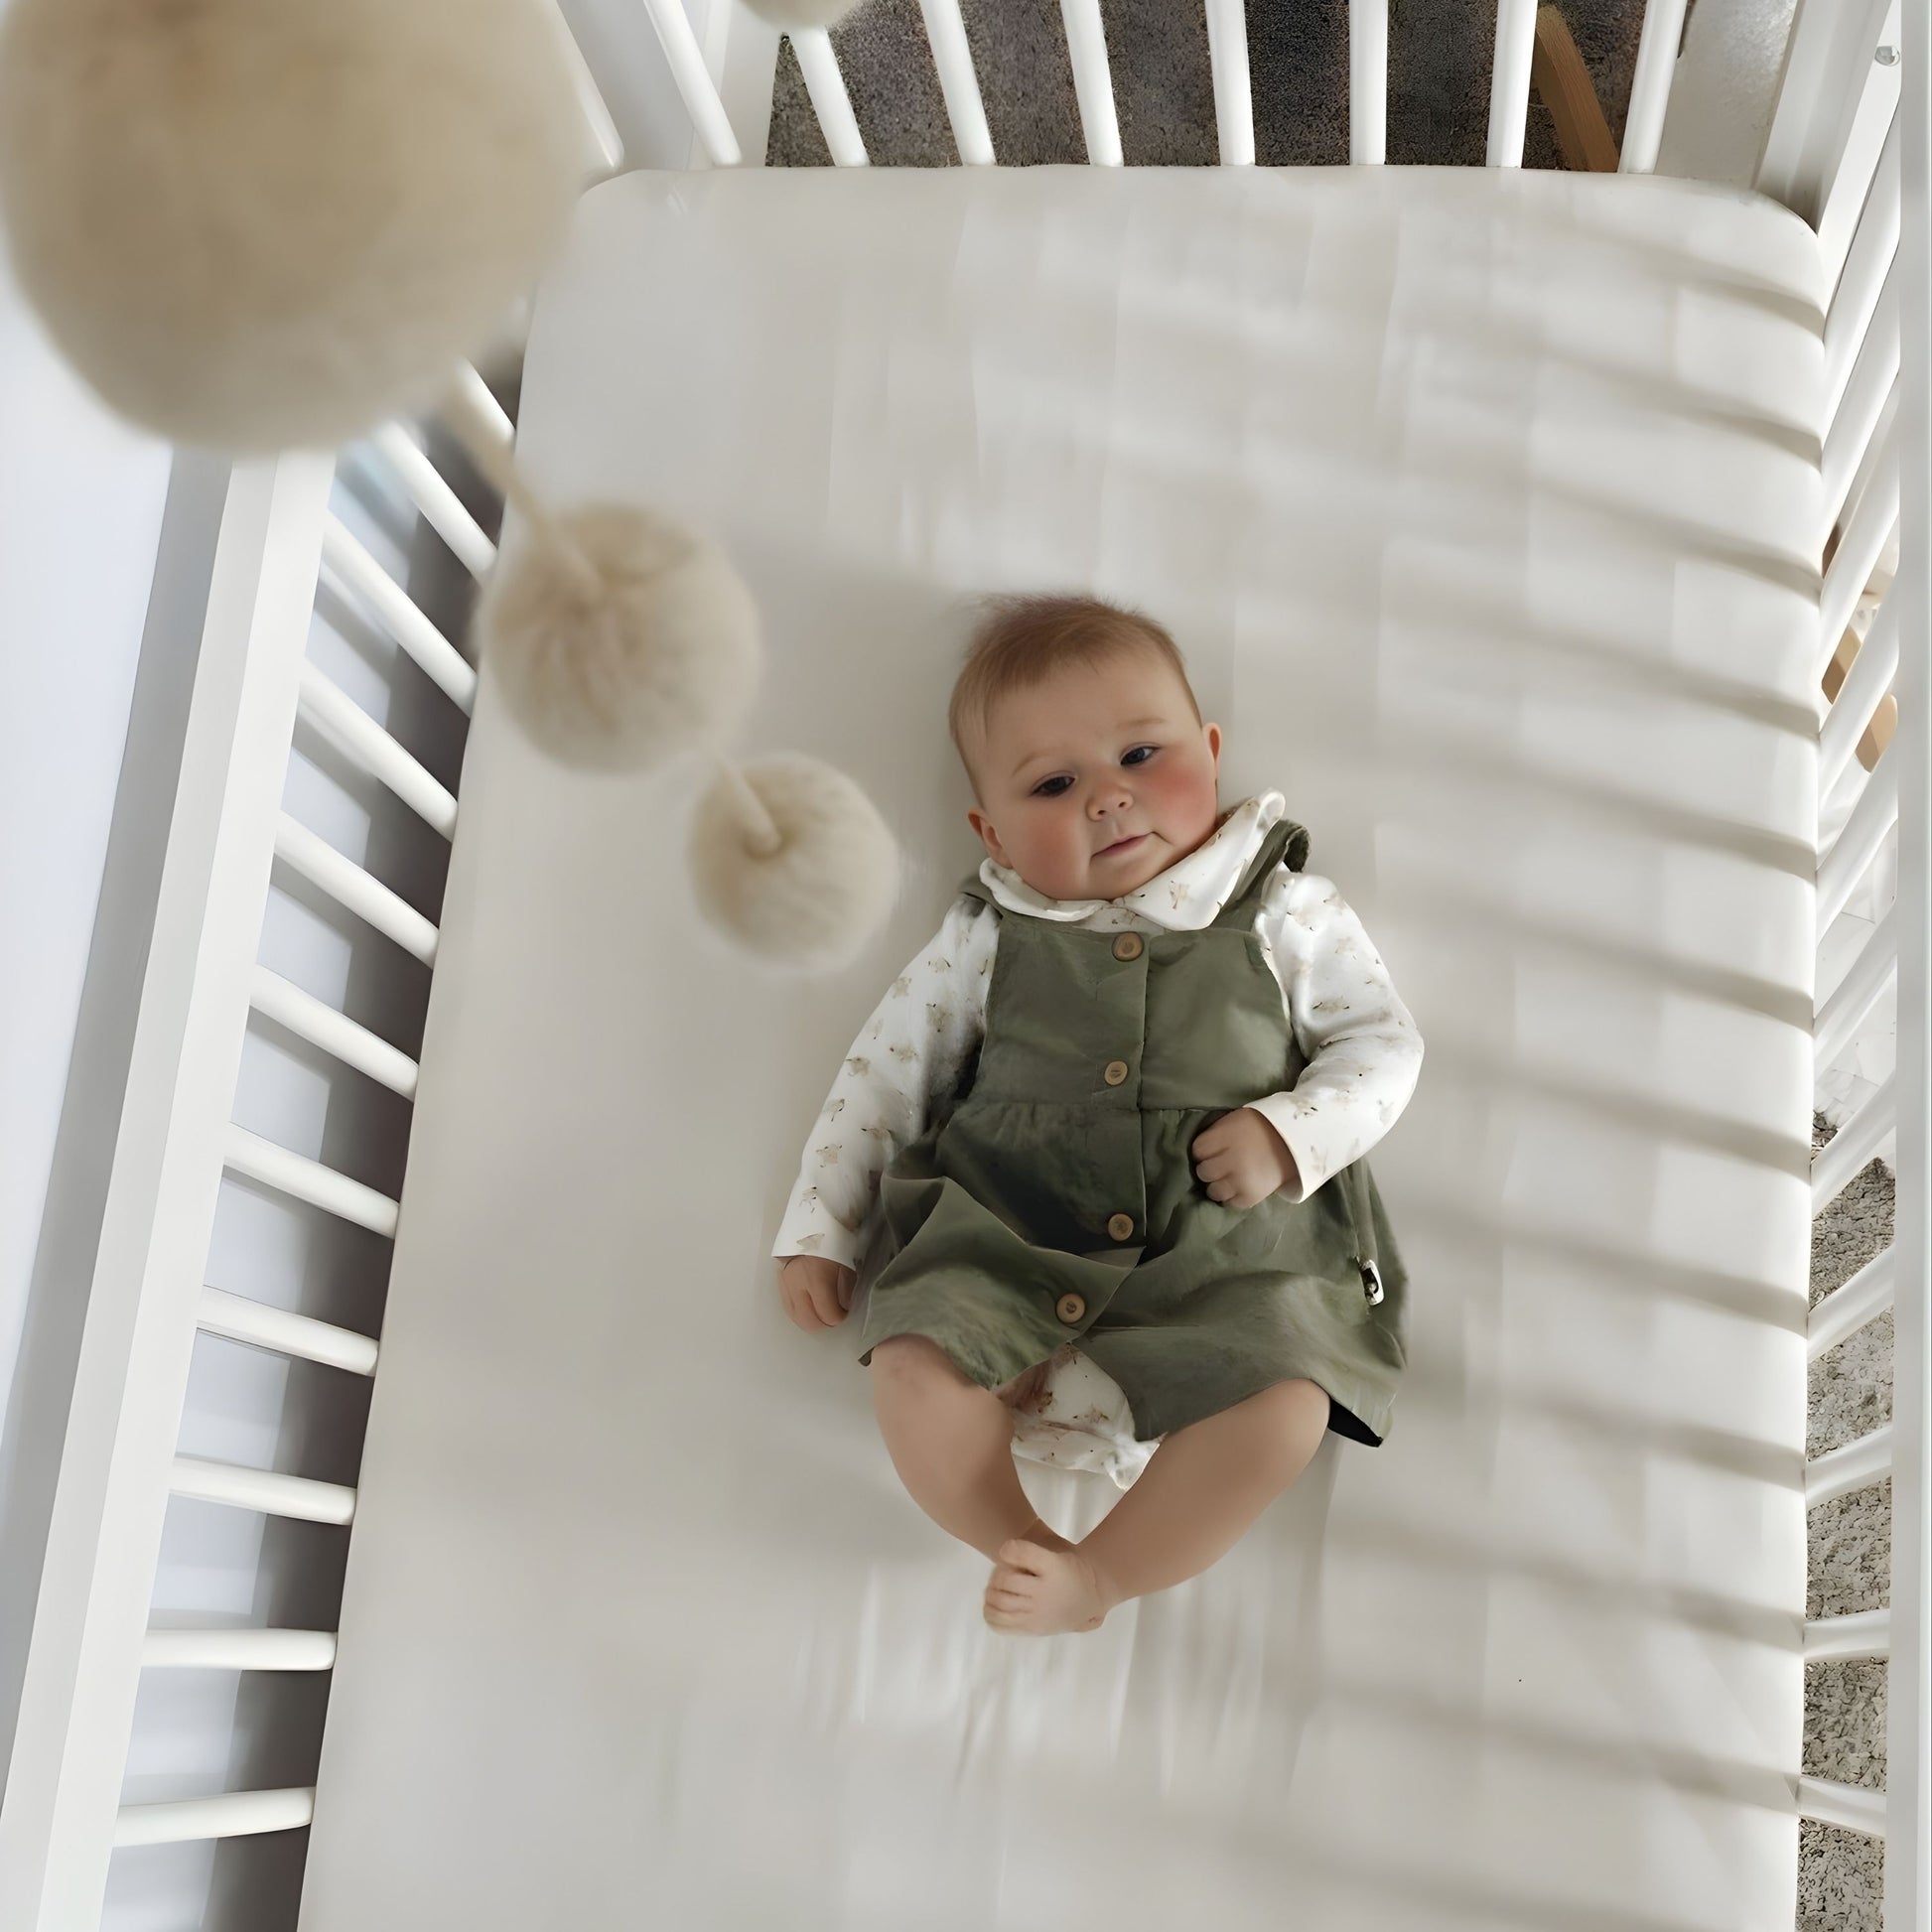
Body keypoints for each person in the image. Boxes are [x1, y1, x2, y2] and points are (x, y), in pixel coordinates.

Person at [774, 593, 1423, 1635]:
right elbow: (886, 1078)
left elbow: (1382, 1045)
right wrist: (823, 1222)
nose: (1110, 799)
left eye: (1140, 754)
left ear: (1212, 752)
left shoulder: (1278, 906)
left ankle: (1106, 1576)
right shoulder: (989, 935)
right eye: (1053, 783)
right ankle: (1021, 1542)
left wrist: (1288, 1133)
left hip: (1229, 1263)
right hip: (1009, 1241)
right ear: (991, 829)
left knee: (1287, 1400)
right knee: (911, 1355)